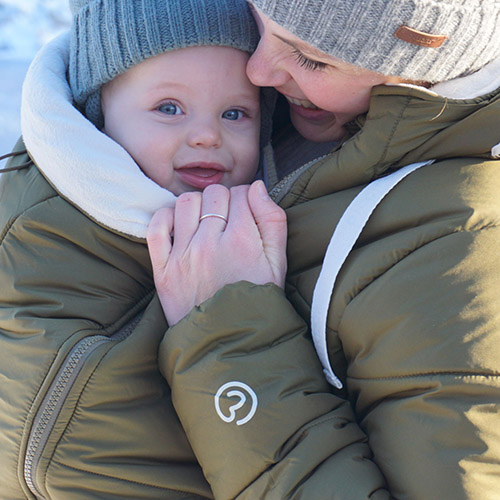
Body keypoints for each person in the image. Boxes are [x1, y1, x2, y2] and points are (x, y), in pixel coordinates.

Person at [147, 0, 500, 499]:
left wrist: (228, 328)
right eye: (260, 19)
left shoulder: (460, 254)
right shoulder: (292, 120)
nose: (256, 69)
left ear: (425, 65)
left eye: (310, 58)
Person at [0, 0, 279, 498]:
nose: (207, 135)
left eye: (235, 113)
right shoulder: (32, 224)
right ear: (99, 113)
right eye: (168, 108)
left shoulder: (265, 228)